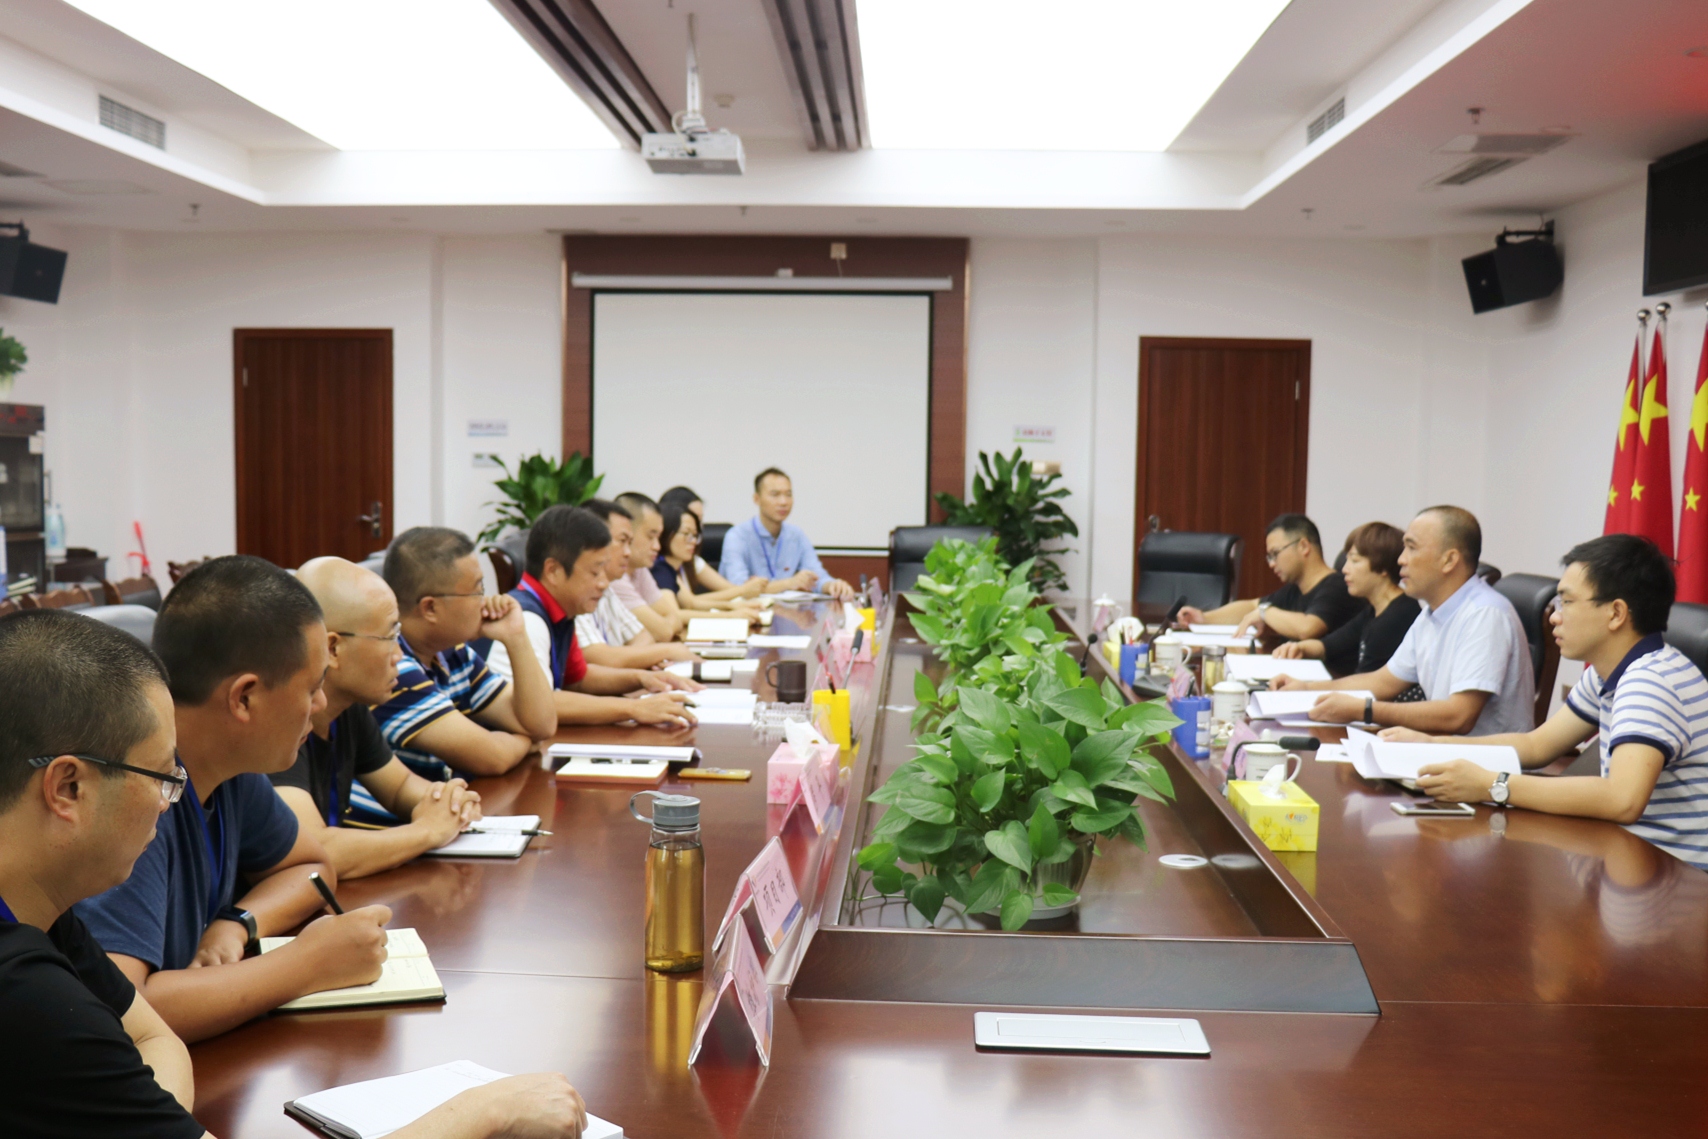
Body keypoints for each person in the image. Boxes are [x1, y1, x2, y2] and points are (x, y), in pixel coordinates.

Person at [0, 619, 596, 1139]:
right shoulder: (26, 993)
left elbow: (159, 1043)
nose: (168, 801)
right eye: (159, 777)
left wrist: (136, 1115)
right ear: (68, 787)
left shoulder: (47, 917)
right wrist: (484, 1113)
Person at [75, 556, 394, 1044]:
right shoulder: (135, 790)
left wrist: (238, 924)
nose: (321, 705)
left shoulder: (229, 769)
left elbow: (310, 868)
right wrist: (307, 963)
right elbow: (124, 1011)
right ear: (244, 698)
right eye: (312, 688)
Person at [1395, 535, 1708, 868]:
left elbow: (1622, 799)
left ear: (1616, 613)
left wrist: (1491, 785)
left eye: (1567, 602)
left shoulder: (1650, 681)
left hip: (1678, 879)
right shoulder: (1609, 672)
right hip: (1629, 858)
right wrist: (1434, 745)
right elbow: (1537, 746)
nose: (1554, 617)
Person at [275, 558, 484, 880]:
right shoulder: (279, 721)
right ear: (332, 648)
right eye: (389, 637)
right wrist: (427, 832)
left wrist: (451, 803)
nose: (399, 656)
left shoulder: (348, 707)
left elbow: (400, 787)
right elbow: (313, 850)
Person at [1272, 505, 1535, 736]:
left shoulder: (1485, 614)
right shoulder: (1431, 614)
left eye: (1411, 547)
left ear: (1449, 560)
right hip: (1444, 750)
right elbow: (1382, 681)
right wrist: (1306, 688)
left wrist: (1366, 710)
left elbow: (1459, 715)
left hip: (1486, 768)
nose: (1401, 559)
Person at [485, 504, 698, 728]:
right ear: (553, 571)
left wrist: (642, 678)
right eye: (595, 572)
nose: (604, 583)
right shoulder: (525, 619)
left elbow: (578, 679)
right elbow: (540, 705)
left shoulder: (561, 612)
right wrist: (633, 708)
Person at [376, 527, 558, 781]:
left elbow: (542, 725)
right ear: (430, 608)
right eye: (477, 591)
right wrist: (527, 742)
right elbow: (493, 757)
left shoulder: (453, 654)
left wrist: (516, 637)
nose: (485, 601)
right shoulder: (394, 670)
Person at [1178, 514, 1363, 647]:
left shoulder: (1338, 585)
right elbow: (1252, 607)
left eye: (1275, 554)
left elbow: (1307, 628)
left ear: (1303, 546)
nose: (1272, 564)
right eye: (1269, 557)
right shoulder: (1294, 590)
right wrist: (1205, 618)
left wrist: (1265, 613)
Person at [1273, 522, 1422, 676]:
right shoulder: (1374, 610)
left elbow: (1367, 683)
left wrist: (1306, 687)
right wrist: (1299, 648)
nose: (1344, 569)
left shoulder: (1396, 618)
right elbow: (1329, 645)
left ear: (1382, 567)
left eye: (1354, 561)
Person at [569, 500, 698, 671]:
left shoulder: (608, 587)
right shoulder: (574, 592)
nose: (628, 552)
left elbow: (645, 638)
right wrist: (662, 652)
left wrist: (634, 658)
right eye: (622, 541)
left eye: (629, 542)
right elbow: (601, 658)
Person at [719, 467, 855, 600]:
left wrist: (832, 585)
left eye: (788, 495)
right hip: (745, 612)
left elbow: (816, 575)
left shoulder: (796, 535)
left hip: (786, 612)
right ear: (756, 499)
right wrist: (789, 583)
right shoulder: (737, 537)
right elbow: (739, 588)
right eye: (775, 495)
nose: (783, 502)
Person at [654, 500, 770, 610]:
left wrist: (741, 596)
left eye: (695, 535)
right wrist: (738, 598)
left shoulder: (683, 564)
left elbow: (692, 602)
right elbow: (686, 607)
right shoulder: (659, 567)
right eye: (686, 533)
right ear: (666, 533)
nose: (693, 541)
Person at [660, 485, 762, 597]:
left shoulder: (691, 561)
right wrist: (744, 590)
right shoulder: (659, 566)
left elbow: (730, 590)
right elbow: (691, 603)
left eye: (700, 520)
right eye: (686, 531)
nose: (697, 528)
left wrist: (748, 589)